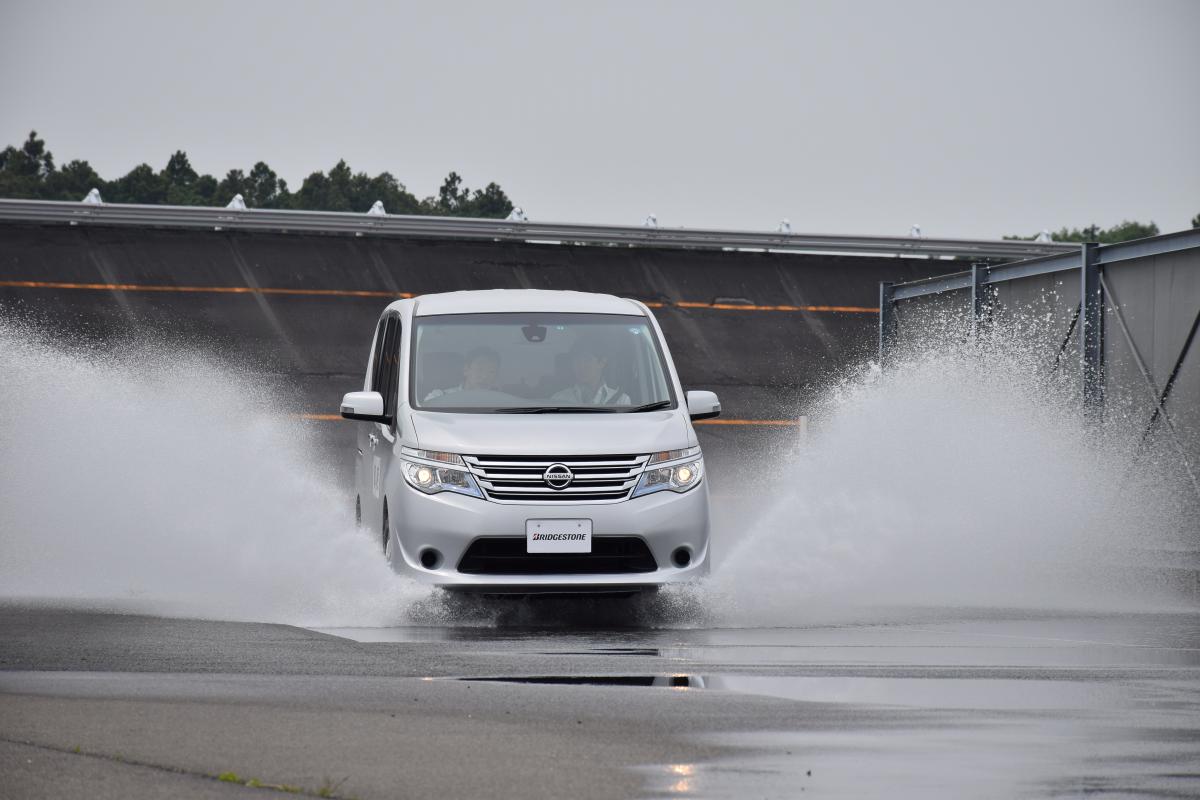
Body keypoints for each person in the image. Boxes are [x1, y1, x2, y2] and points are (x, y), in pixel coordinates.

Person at [551, 338, 630, 406]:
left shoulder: (621, 400)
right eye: (577, 360)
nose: (581, 366)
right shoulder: (558, 399)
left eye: (587, 360)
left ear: (602, 362)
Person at [423, 347, 500, 402]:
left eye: (491, 372)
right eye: (480, 369)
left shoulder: (500, 402)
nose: (485, 376)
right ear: (466, 370)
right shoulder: (440, 396)